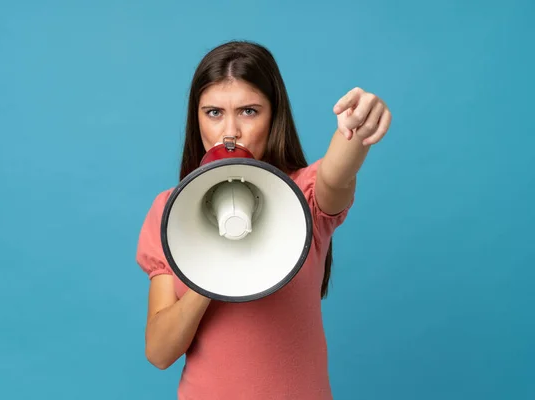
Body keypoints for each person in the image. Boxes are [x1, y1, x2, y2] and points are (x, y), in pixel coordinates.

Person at [135, 40, 392, 400]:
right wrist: (209, 266)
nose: (230, 132)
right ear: (196, 119)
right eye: (213, 113)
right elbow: (159, 352)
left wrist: (356, 131)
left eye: (249, 111)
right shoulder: (169, 211)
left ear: (274, 117)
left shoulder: (303, 198)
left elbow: (336, 174)